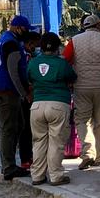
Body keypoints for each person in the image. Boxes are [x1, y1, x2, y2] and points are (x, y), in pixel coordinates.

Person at [62, 14, 100, 170]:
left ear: (84, 26)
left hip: (81, 87)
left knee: (82, 120)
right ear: (98, 26)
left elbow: (65, 62)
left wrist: (69, 82)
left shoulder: (74, 41)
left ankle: (87, 153)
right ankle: (98, 157)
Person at [27, 32, 77, 186]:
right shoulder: (62, 64)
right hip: (58, 104)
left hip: (37, 106)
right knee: (56, 141)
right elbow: (72, 77)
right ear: (57, 48)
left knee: (39, 142)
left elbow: (29, 78)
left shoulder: (33, 62)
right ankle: (56, 176)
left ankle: (37, 176)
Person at [0, 15, 32, 180]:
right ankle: (9, 167)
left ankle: (10, 163)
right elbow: (13, 72)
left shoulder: (2, 40)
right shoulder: (12, 44)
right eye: (25, 30)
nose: (26, 33)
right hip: (6, 91)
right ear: (19, 28)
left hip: (1, 88)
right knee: (9, 128)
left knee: (18, 125)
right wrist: (24, 93)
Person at [19, 30, 41, 170]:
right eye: (35, 45)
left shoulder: (27, 55)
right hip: (26, 96)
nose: (36, 48)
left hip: (28, 94)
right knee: (26, 128)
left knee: (29, 128)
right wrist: (27, 92)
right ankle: (26, 158)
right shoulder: (25, 57)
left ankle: (29, 156)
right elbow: (25, 75)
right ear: (29, 43)